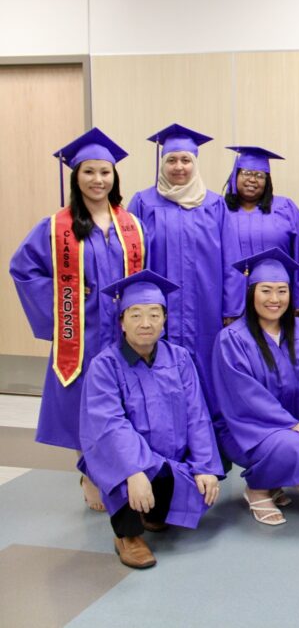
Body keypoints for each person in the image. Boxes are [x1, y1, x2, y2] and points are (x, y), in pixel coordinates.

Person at [10, 128, 145, 512]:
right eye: (89, 172)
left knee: (123, 399)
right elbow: (24, 270)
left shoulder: (132, 226)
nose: (98, 180)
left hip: (122, 332)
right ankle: (89, 472)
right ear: (76, 177)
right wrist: (60, 297)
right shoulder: (55, 226)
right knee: (84, 401)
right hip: (81, 331)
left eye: (105, 172)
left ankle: (120, 468)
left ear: (114, 177)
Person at [80, 270, 222, 569]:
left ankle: (154, 509)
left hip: (168, 460)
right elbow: (110, 426)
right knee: (120, 473)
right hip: (125, 461)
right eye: (135, 315)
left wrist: (205, 467)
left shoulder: (180, 358)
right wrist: (133, 471)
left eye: (154, 314)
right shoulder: (105, 366)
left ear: (165, 319)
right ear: (121, 322)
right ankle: (127, 536)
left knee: (198, 488)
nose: (146, 323)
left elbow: (197, 415)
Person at [128, 123, 244, 455]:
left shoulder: (214, 205)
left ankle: (209, 453)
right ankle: (161, 448)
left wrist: (231, 309)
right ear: (161, 164)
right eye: (172, 160)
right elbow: (133, 258)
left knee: (207, 376)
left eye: (186, 160)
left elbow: (232, 260)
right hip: (157, 313)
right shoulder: (143, 203)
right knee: (157, 376)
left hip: (206, 312)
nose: (179, 167)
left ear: (196, 163)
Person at [211, 249, 299, 526]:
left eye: (282, 291)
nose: (274, 299)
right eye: (266, 290)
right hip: (247, 430)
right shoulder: (231, 339)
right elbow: (245, 397)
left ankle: (276, 479)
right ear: (251, 293)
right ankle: (258, 489)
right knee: (293, 446)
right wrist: (294, 427)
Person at [223, 146, 299, 316]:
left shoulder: (285, 208)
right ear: (235, 176)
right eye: (246, 173)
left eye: (259, 175)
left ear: (267, 181)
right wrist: (227, 309)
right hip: (234, 303)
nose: (252, 180)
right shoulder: (220, 211)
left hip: (277, 302)